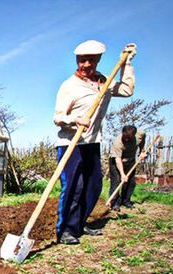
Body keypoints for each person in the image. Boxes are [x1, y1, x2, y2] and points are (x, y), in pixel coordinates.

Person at [53, 40, 137, 245]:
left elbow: (126, 90)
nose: (86, 65)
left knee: (93, 186)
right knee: (74, 187)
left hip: (92, 142)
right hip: (71, 143)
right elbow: (58, 117)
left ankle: (80, 223)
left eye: (91, 60)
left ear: (98, 60)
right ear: (77, 60)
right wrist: (75, 120)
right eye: (82, 60)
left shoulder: (103, 82)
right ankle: (66, 230)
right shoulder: (69, 86)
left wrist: (125, 63)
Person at [109, 125, 146, 211]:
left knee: (130, 182)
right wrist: (122, 174)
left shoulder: (140, 134)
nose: (126, 139)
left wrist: (142, 152)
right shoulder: (117, 142)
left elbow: (142, 141)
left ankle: (125, 201)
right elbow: (117, 159)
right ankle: (114, 203)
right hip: (116, 162)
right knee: (116, 181)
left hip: (130, 161)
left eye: (128, 138)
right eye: (124, 137)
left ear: (134, 135)